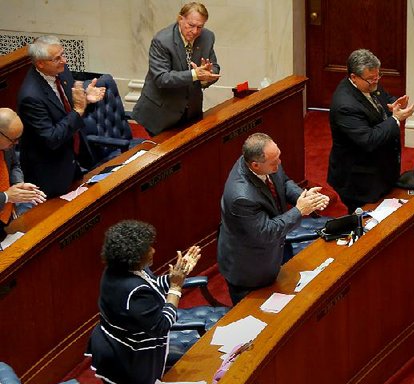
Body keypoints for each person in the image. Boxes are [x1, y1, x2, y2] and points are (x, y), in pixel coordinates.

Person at [85, 220, 201, 384]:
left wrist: (177, 275)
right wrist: (176, 287)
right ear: (133, 256)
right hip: (125, 359)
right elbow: (162, 325)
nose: (154, 251)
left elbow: (152, 285)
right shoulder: (133, 290)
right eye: (148, 248)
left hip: (113, 345)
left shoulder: (121, 269)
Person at [218, 133, 329, 305]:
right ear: (255, 165)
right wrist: (300, 209)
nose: (279, 162)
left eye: (278, 156)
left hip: (274, 249)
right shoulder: (240, 197)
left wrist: (304, 197)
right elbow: (266, 231)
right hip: (250, 267)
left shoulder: (265, 161)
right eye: (274, 161)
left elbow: (282, 183)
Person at [17, 35, 106, 198]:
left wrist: (86, 99)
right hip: (50, 170)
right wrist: (79, 109)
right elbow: (52, 138)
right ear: (40, 63)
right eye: (57, 58)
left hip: (73, 158)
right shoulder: (31, 97)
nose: (64, 61)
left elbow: (68, 109)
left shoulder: (61, 73)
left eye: (63, 54)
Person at [328, 48, 414, 213]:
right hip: (359, 180)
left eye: (378, 77)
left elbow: (383, 97)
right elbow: (369, 140)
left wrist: (394, 104)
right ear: (353, 77)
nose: (376, 82)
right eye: (371, 79)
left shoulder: (368, 80)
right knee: (366, 221)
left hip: (379, 171)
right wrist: (396, 119)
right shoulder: (345, 105)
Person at [132, 2, 221, 136]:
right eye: (191, 25)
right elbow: (162, 78)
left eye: (200, 27)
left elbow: (214, 67)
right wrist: (195, 74)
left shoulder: (207, 37)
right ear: (180, 19)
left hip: (190, 111)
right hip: (161, 112)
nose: (195, 31)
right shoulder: (162, 41)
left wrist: (206, 77)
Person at [0, 108, 46, 238]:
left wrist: (19, 184)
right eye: (13, 140)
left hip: (6, 216)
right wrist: (7, 196)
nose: (16, 143)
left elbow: (14, 165)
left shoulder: (7, 143)